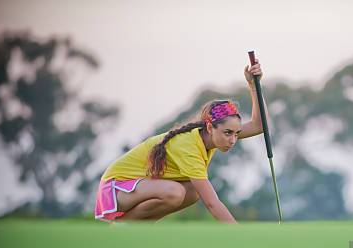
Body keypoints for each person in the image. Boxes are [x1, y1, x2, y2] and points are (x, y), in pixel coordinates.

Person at [94, 60, 266, 224]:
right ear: (209, 127)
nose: (233, 140)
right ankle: (124, 224)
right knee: (176, 193)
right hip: (115, 188)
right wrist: (239, 233)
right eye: (228, 133)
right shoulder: (188, 146)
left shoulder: (214, 137)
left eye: (237, 134)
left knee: (192, 193)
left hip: (137, 188)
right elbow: (212, 203)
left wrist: (253, 85)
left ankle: (141, 226)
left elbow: (259, 125)